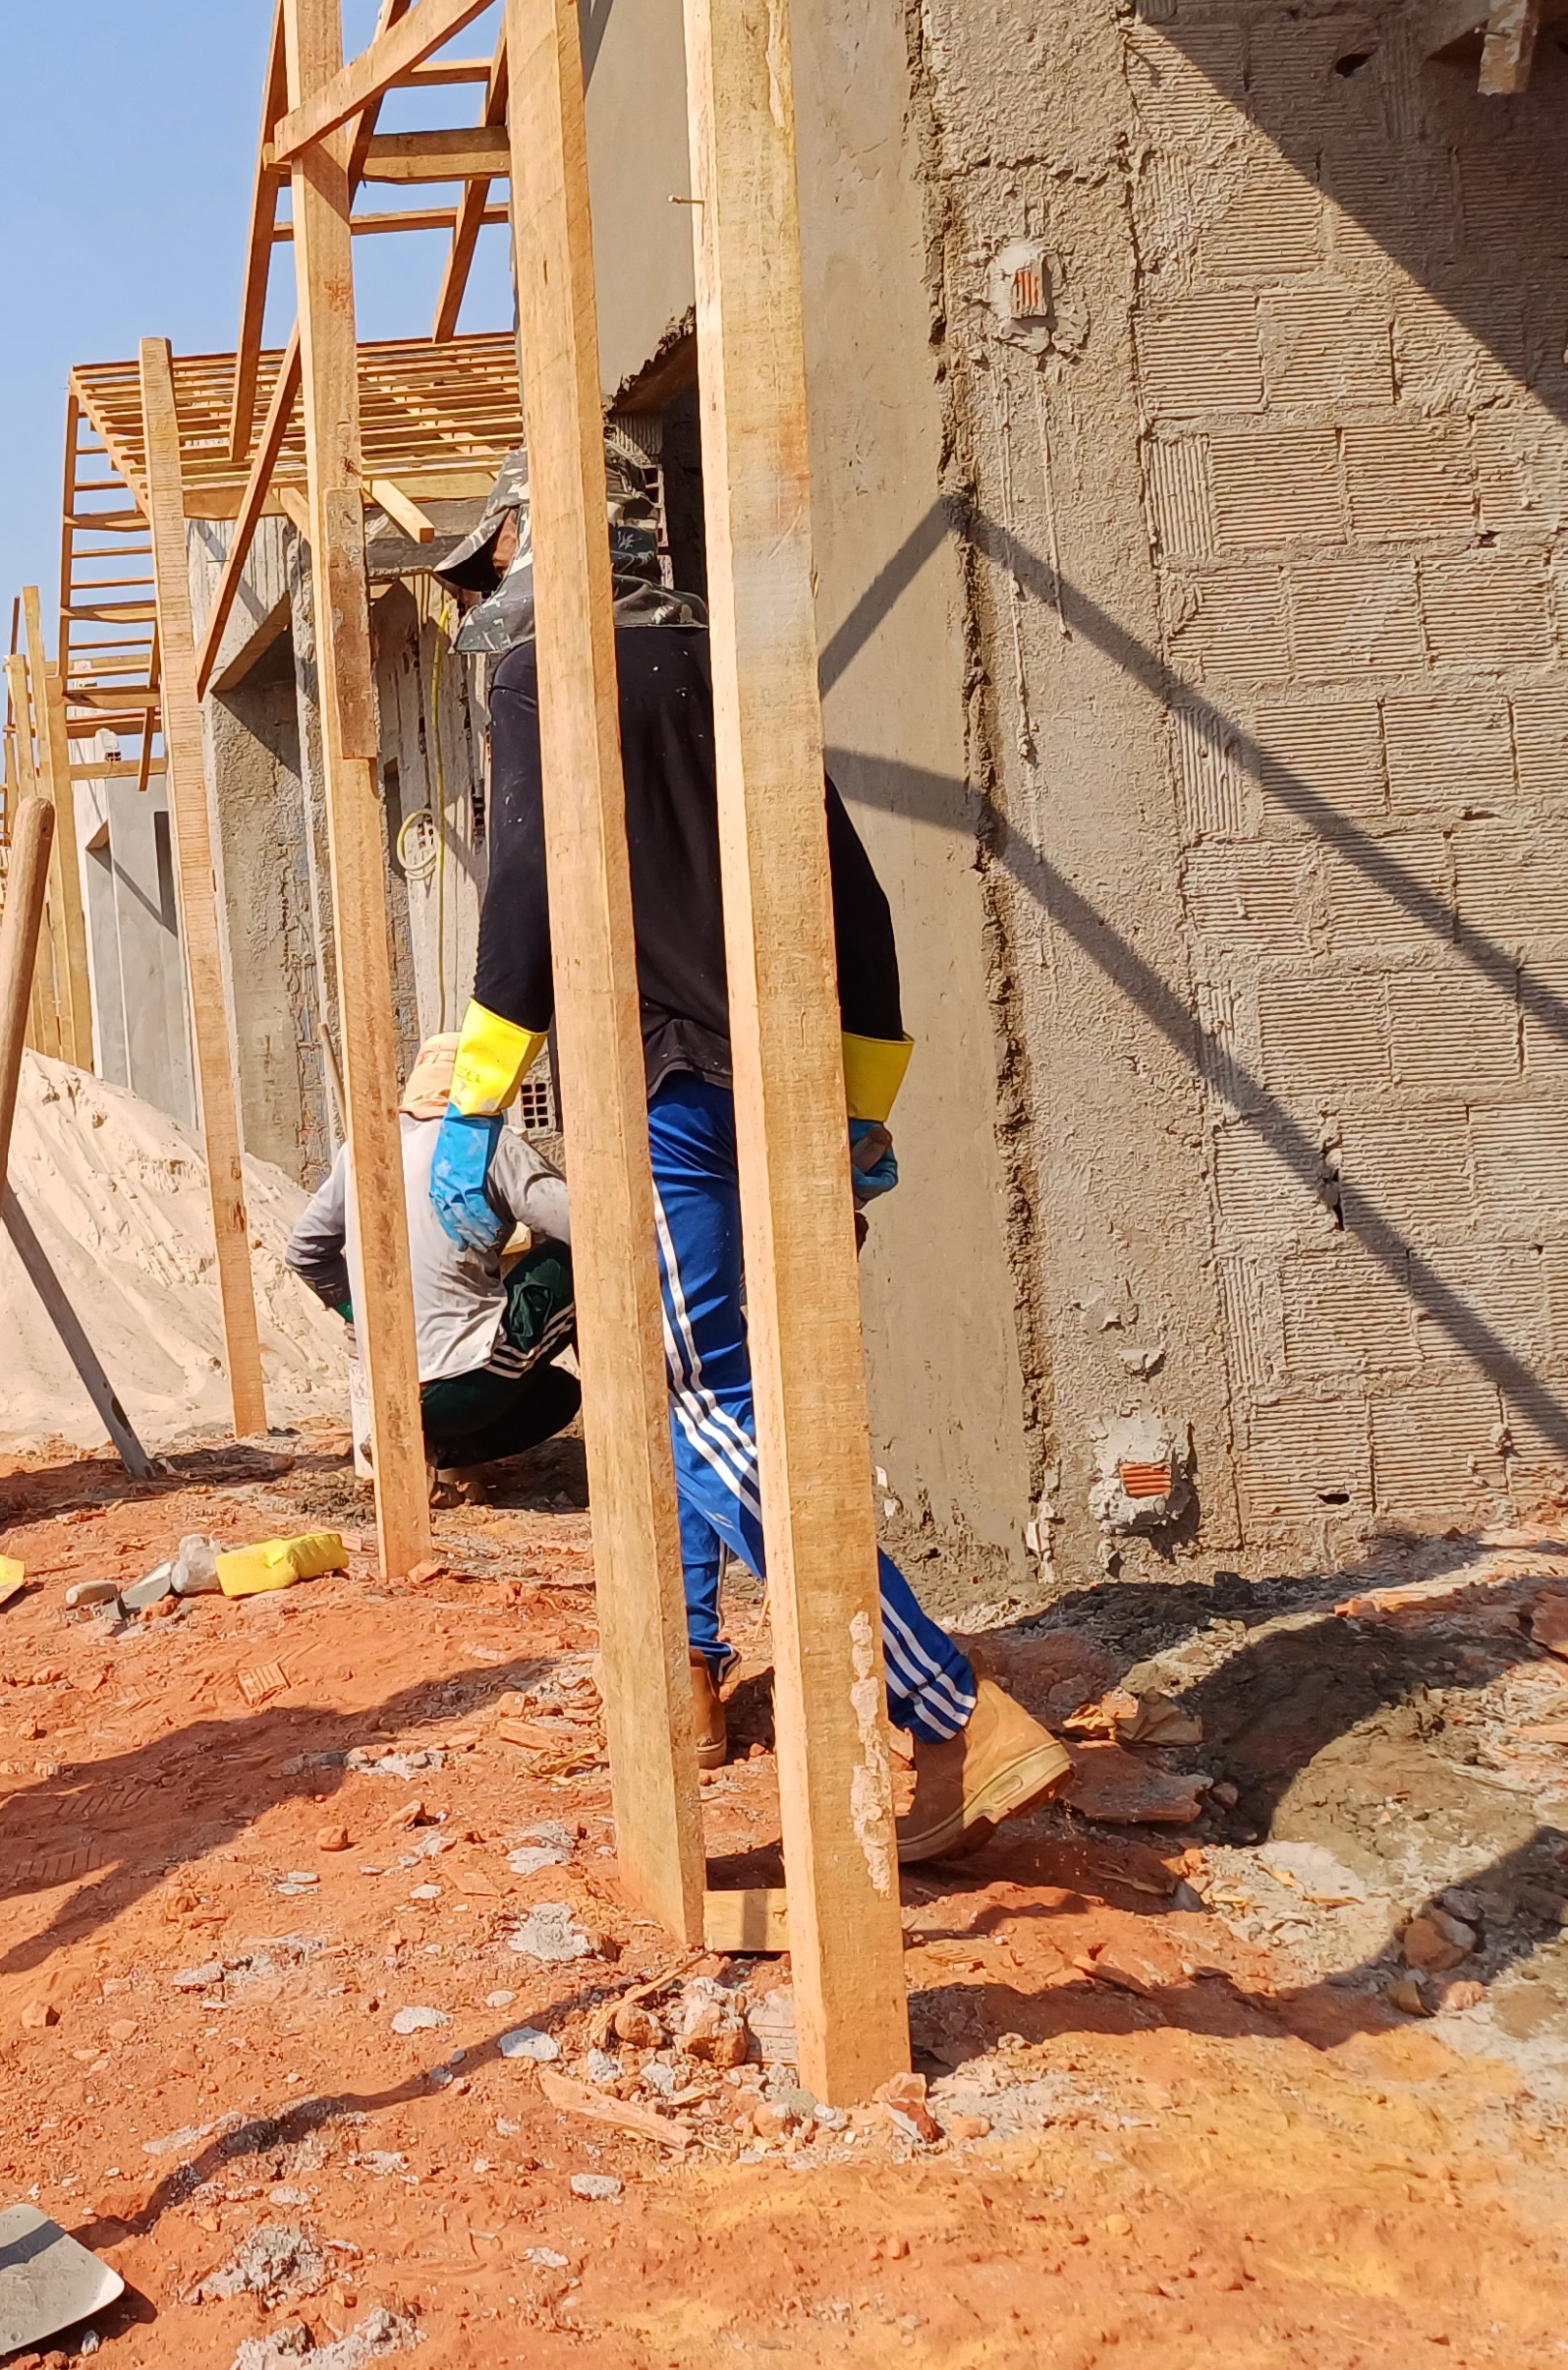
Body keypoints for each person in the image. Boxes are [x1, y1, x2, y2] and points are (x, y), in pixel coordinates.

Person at [422, 454, 1070, 1859]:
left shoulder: (543, 673)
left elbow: (525, 896)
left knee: (706, 1394)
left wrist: (475, 1106)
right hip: (783, 1085)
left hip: (664, 1089)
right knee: (694, 1384)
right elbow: (858, 899)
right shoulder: (730, 664)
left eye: (490, 563)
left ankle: (950, 1713)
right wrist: (860, 1106)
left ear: (533, 537)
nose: (482, 596)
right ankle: (690, 1677)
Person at [285, 1038, 582, 1478]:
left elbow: (304, 1252)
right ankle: (628, 1414)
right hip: (464, 1385)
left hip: (387, 1391)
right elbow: (585, 1228)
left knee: (556, 1391)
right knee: (566, 1262)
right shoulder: (485, 1144)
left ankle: (426, 1449)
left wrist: (357, 1312)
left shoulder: (361, 1150)